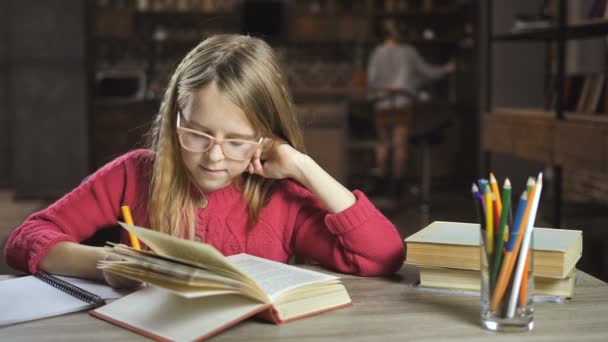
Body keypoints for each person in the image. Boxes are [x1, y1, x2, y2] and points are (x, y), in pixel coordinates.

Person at [4, 34, 405, 288]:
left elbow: (382, 255)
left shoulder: (281, 199)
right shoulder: (134, 172)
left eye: (236, 141)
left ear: (265, 137)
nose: (214, 156)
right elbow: (26, 238)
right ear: (175, 118)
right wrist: (107, 262)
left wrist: (302, 166)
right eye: (196, 134)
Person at [367, 19, 455, 199]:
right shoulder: (408, 52)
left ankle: (383, 182)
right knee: (399, 145)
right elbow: (427, 72)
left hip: (381, 103)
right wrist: (446, 69)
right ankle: (397, 187)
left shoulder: (377, 53)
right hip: (401, 102)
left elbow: (371, 80)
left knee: (383, 142)